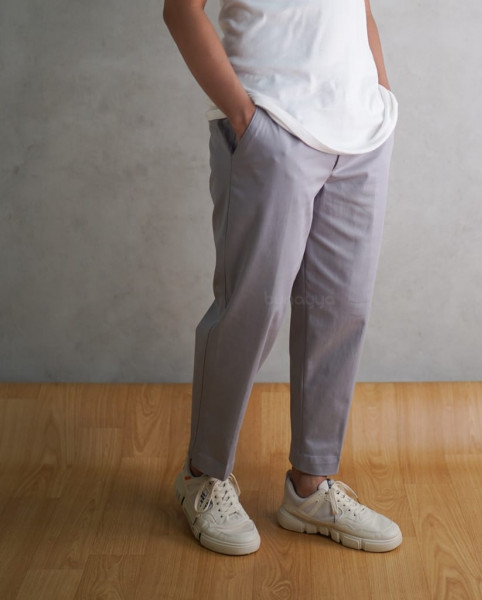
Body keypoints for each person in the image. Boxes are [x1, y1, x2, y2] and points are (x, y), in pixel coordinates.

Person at [163, 0, 402, 556]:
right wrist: (244, 118)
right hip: (271, 123)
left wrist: (380, 96)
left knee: (341, 310)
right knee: (252, 309)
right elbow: (181, 10)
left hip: (361, 134)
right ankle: (203, 475)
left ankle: (309, 488)